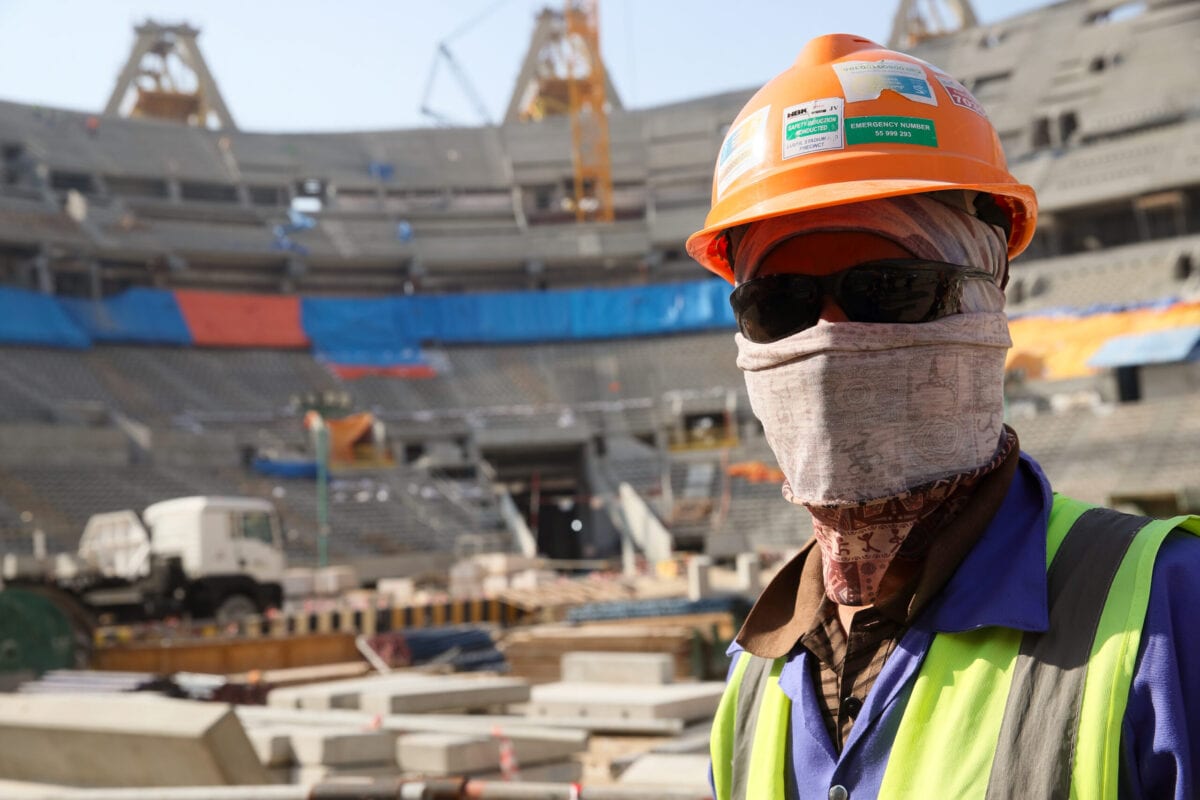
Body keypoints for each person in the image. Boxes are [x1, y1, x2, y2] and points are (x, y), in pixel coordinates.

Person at [685, 33, 1200, 799]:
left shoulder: (1169, 610)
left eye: (889, 290)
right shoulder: (754, 679)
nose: (829, 339)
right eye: (779, 305)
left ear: (989, 298)